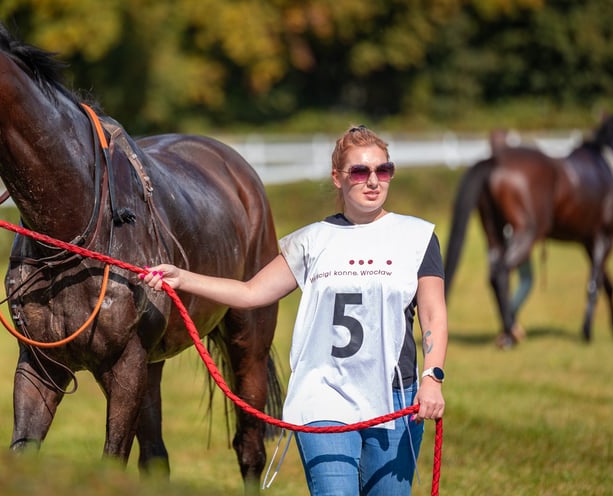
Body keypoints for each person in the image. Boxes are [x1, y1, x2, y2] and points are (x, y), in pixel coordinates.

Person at [142, 125, 447, 495]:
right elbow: (251, 292)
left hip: (396, 397)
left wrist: (432, 377)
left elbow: (433, 314)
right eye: (360, 172)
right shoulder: (311, 241)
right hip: (324, 394)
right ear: (338, 178)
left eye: (383, 171)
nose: (373, 181)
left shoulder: (417, 237)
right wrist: (183, 278)